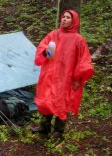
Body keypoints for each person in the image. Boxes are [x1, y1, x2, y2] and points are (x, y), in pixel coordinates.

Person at [33, 9, 94, 140]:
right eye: (63, 17)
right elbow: (41, 48)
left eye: (68, 17)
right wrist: (45, 52)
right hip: (49, 75)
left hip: (65, 78)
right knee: (46, 101)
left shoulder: (78, 40)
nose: (64, 19)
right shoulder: (53, 34)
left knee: (62, 103)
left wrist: (78, 78)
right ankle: (44, 128)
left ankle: (58, 132)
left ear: (74, 21)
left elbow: (83, 60)